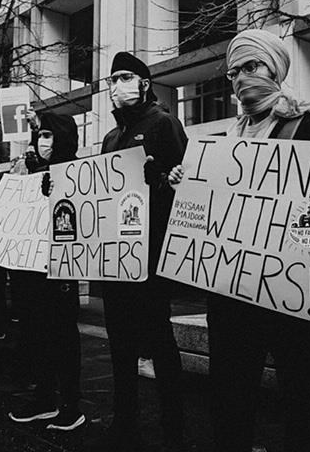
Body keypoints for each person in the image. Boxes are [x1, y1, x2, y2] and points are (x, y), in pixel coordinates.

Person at [168, 28, 310, 452]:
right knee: (230, 393)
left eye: (250, 67)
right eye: (233, 72)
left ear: (274, 67)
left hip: (290, 289)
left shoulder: (308, 127)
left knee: (298, 390)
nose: (239, 79)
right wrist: (188, 184)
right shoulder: (225, 140)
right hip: (232, 293)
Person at [89, 51, 188, 452]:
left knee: (159, 340)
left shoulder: (164, 123)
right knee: (120, 344)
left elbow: (188, 186)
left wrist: (160, 181)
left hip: (150, 255)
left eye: (125, 77)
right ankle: (125, 421)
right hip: (116, 256)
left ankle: (173, 424)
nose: (117, 86)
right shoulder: (112, 137)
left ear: (144, 83)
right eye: (112, 79)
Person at [7, 112, 86, 431]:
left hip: (59, 271)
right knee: (35, 334)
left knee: (62, 336)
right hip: (29, 269)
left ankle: (70, 404)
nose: (44, 142)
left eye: (50, 135)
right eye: (40, 136)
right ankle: (44, 398)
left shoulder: (78, 172)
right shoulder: (29, 171)